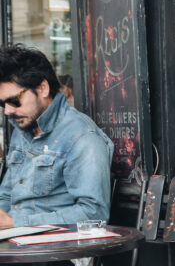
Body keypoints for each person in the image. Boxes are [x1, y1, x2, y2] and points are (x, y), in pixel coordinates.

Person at [0, 44, 112, 229]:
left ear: (43, 88)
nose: (8, 111)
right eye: (2, 103)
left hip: (54, 250)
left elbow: (94, 214)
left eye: (14, 101)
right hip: (15, 244)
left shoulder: (82, 137)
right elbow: (6, 196)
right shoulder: (23, 127)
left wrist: (15, 223)